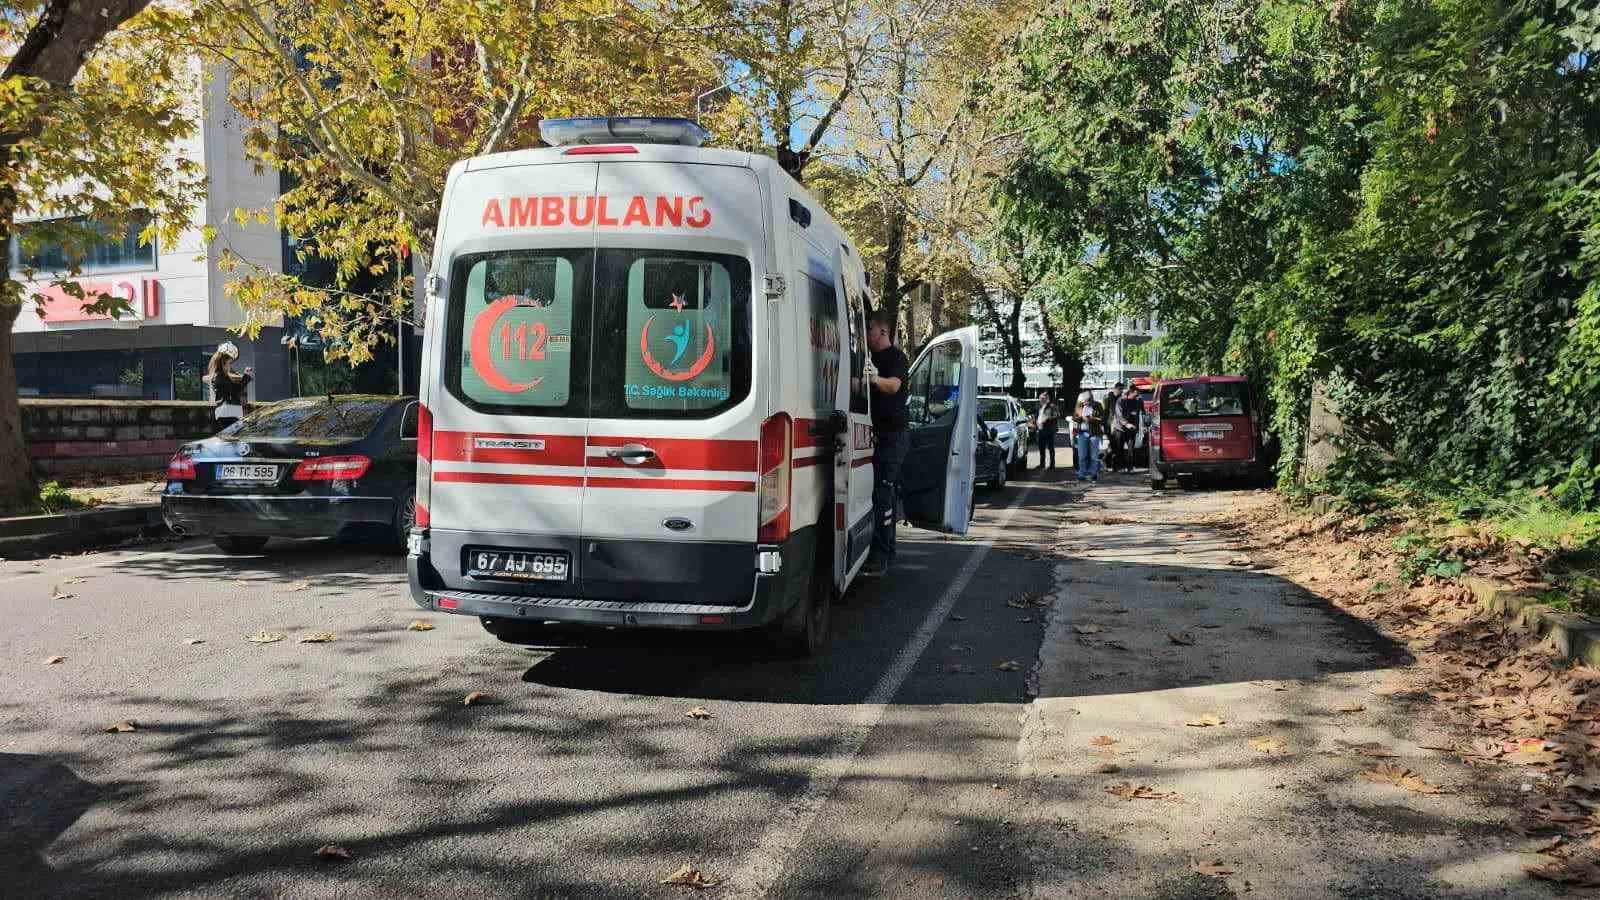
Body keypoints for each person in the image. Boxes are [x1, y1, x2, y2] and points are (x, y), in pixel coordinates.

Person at [862, 312, 909, 577]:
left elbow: (893, 386)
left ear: (882, 331)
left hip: (894, 436)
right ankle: (888, 549)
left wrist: (874, 380)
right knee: (884, 494)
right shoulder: (867, 357)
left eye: (869, 328)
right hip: (876, 436)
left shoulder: (897, 358)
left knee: (883, 493)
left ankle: (880, 555)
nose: (866, 333)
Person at [204, 341, 253, 430]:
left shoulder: (220, 376)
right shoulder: (220, 377)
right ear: (223, 363)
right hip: (228, 412)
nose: (229, 366)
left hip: (226, 411)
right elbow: (235, 390)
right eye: (229, 363)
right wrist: (246, 377)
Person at [1111, 384, 1144, 472]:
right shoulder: (1121, 400)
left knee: (1131, 449)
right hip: (1120, 428)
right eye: (1136, 395)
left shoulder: (1137, 401)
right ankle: (1119, 467)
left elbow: (1139, 414)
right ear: (1131, 392)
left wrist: (1138, 427)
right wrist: (1126, 424)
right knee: (1119, 449)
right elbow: (1119, 415)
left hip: (1132, 429)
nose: (1137, 396)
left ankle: (1130, 467)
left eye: (1138, 395)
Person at [1073, 390, 1105, 481]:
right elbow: (1074, 417)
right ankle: (1082, 474)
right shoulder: (1079, 405)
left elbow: (1102, 419)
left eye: (1086, 401)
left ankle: (1093, 474)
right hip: (1082, 433)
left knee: (1094, 456)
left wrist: (1090, 419)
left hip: (1094, 433)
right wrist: (1079, 418)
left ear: (1091, 399)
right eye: (1083, 401)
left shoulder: (1098, 405)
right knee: (1082, 456)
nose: (1084, 403)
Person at [1034, 390, 1059, 470]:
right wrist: (1036, 422)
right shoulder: (1039, 406)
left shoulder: (1052, 406)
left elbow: (1056, 415)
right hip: (1041, 429)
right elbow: (1037, 416)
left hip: (1049, 430)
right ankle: (1042, 464)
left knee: (1050, 447)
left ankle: (1052, 464)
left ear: (1046, 398)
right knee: (1041, 447)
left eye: (1042, 399)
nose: (1040, 400)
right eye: (1040, 398)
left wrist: (1047, 418)